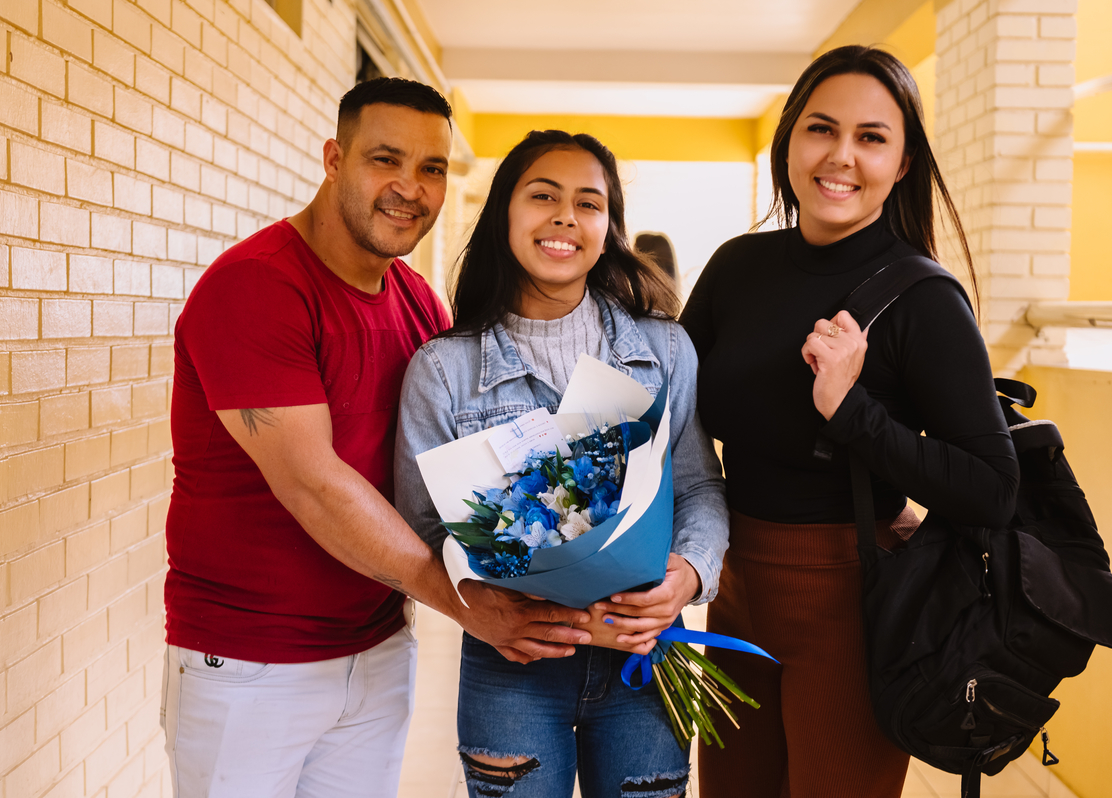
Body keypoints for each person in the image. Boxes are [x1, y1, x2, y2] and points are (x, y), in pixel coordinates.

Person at [162, 79, 591, 798]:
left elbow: (464, 462)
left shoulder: (418, 303)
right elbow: (314, 484)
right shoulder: (256, 287)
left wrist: (584, 559)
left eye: (431, 168)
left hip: (378, 646)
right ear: (334, 159)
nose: (410, 188)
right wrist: (467, 603)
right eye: (385, 159)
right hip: (249, 663)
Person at [680, 46, 1020, 798]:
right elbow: (670, 413)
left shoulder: (925, 300)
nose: (841, 156)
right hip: (734, 587)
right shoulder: (736, 267)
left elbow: (993, 489)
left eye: (871, 137)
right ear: (789, 141)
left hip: (854, 604)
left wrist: (851, 411)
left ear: (902, 164)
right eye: (821, 128)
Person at [394, 130, 729, 798]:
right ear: (504, 214)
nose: (566, 217)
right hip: (512, 660)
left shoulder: (665, 349)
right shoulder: (443, 369)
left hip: (643, 653)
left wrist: (689, 574)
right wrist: (477, 598)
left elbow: (698, 487)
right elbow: (422, 524)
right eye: (543, 196)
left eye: (588, 203)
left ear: (609, 229)